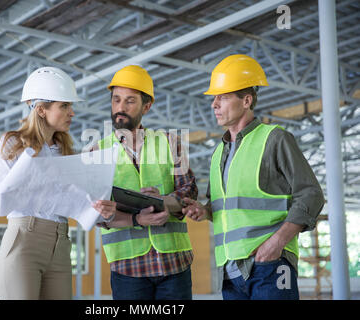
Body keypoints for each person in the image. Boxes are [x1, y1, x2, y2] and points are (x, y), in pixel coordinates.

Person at [182, 54, 325, 300]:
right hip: (231, 272)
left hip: (270, 267)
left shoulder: (274, 139)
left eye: (223, 97)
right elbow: (228, 210)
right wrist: (204, 212)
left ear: (246, 100)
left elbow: (311, 194)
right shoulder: (219, 153)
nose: (214, 104)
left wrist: (276, 243)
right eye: (214, 98)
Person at [91, 65, 198, 300]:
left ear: (146, 106)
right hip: (128, 266)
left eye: (130, 101)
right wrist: (136, 218)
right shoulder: (97, 151)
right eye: (116, 99)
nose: (120, 107)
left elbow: (189, 191)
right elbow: (95, 213)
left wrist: (164, 201)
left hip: (174, 262)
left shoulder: (170, 143)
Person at [0, 66, 83, 300]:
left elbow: (73, 200)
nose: (72, 113)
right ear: (41, 110)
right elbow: (5, 198)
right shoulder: (13, 143)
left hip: (62, 243)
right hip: (25, 240)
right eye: (64, 106)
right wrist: (34, 151)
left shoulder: (65, 151)